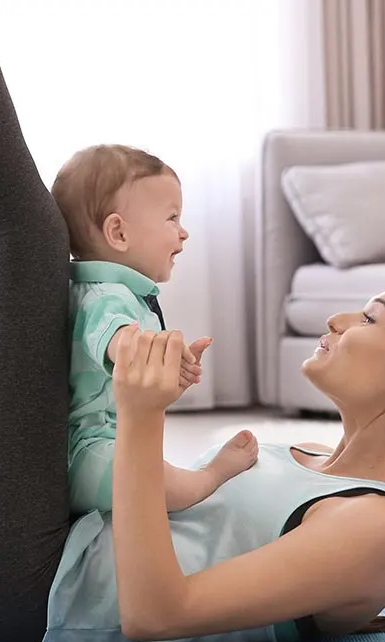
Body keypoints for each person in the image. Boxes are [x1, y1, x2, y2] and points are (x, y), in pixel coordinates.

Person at [0, 0, 385, 642]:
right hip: (38, 544)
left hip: (19, 592)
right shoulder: (303, 461)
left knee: (24, 240)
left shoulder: (379, 528)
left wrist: (139, 416)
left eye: (369, 317)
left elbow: (156, 613)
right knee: (14, 243)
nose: (339, 318)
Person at [52, 144, 260, 515]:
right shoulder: (103, 297)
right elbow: (118, 342)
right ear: (118, 232)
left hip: (107, 442)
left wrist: (164, 377)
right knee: (160, 487)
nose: (184, 233)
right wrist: (149, 350)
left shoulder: (115, 293)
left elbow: (124, 387)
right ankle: (211, 476)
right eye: (172, 218)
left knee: (151, 471)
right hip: (84, 452)